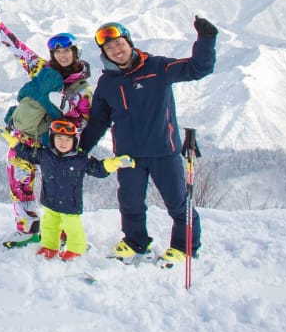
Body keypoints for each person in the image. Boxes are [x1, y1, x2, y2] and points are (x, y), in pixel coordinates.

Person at [78, 17, 218, 265]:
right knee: (130, 203)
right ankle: (135, 242)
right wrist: (79, 151)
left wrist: (206, 39)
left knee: (178, 204)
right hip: (128, 157)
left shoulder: (157, 67)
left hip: (164, 152)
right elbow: (99, 121)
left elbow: (198, 68)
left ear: (129, 42)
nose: (116, 51)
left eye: (119, 44)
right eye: (109, 48)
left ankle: (184, 247)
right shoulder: (107, 82)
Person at [0, 11, 96, 236]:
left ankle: (63, 233)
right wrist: (0, 29)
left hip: (54, 146)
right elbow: (21, 52)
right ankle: (27, 228)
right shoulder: (43, 71)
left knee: (58, 191)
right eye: (58, 51)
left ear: (76, 53)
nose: (63, 55)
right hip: (24, 138)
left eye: (67, 51)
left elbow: (82, 123)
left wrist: (67, 110)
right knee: (19, 185)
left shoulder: (82, 89)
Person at [0, 119, 134, 259]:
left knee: (73, 229)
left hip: (70, 205)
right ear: (52, 138)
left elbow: (98, 168)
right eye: (59, 138)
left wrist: (115, 163)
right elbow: (26, 153)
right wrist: (10, 140)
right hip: (49, 202)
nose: (63, 142)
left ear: (74, 141)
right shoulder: (45, 155)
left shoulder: (80, 159)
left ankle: (76, 250)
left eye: (67, 139)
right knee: (49, 226)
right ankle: (49, 247)